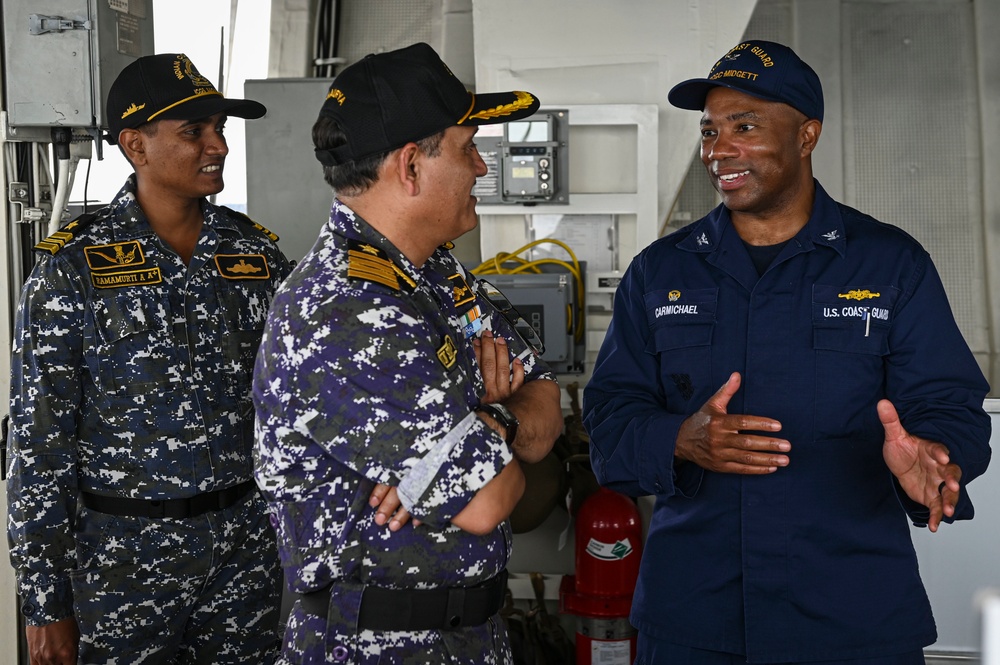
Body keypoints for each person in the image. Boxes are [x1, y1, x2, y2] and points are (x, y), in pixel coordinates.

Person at [583, 39, 992, 664]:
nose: (718, 150)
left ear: (807, 135)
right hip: (696, 620)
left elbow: (950, 404)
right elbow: (609, 420)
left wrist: (935, 457)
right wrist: (680, 440)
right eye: (710, 131)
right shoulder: (658, 272)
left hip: (851, 618)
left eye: (743, 127)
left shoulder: (890, 264)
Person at [252, 42, 564, 664]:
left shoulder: (433, 273)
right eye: (466, 147)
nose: (480, 166)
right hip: (374, 646)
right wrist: (492, 412)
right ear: (410, 167)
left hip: (472, 635)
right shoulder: (341, 311)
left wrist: (486, 424)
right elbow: (488, 500)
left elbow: (548, 405)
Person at [6, 53, 292, 664]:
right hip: (121, 563)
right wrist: (43, 601)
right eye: (195, 131)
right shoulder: (72, 268)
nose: (217, 144)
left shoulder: (256, 255)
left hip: (244, 553)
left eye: (219, 127)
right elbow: (39, 443)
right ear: (135, 144)